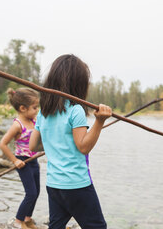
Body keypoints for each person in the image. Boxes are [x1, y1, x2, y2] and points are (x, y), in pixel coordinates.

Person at [29, 54, 112, 229]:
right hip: (76, 184)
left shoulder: (44, 112)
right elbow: (83, 146)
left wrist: (55, 141)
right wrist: (99, 121)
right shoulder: (76, 111)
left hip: (54, 185)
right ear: (79, 84)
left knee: (56, 226)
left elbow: (33, 146)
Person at [0, 87, 40, 229]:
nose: (37, 110)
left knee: (37, 192)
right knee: (31, 193)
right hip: (23, 161)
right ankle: (18, 222)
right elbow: (3, 144)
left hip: (33, 160)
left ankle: (28, 219)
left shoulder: (34, 121)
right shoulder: (18, 125)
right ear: (23, 108)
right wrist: (15, 160)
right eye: (35, 107)